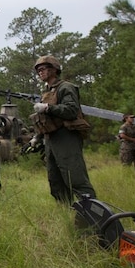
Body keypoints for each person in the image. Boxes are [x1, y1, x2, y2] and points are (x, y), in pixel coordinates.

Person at [30, 55, 98, 204]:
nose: (40, 73)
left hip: (66, 138)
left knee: (76, 179)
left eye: (43, 69)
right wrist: (37, 137)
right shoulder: (47, 92)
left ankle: (95, 217)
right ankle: (67, 214)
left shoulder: (66, 87)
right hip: (51, 140)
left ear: (54, 69)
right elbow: (46, 120)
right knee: (56, 182)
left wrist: (48, 107)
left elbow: (71, 110)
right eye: (38, 71)